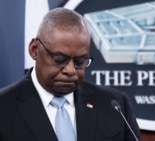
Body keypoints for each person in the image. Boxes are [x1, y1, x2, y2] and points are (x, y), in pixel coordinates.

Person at [0, 8, 140, 141]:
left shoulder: (115, 105)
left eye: (79, 62)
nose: (71, 70)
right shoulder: (4, 107)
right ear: (34, 50)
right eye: (60, 60)